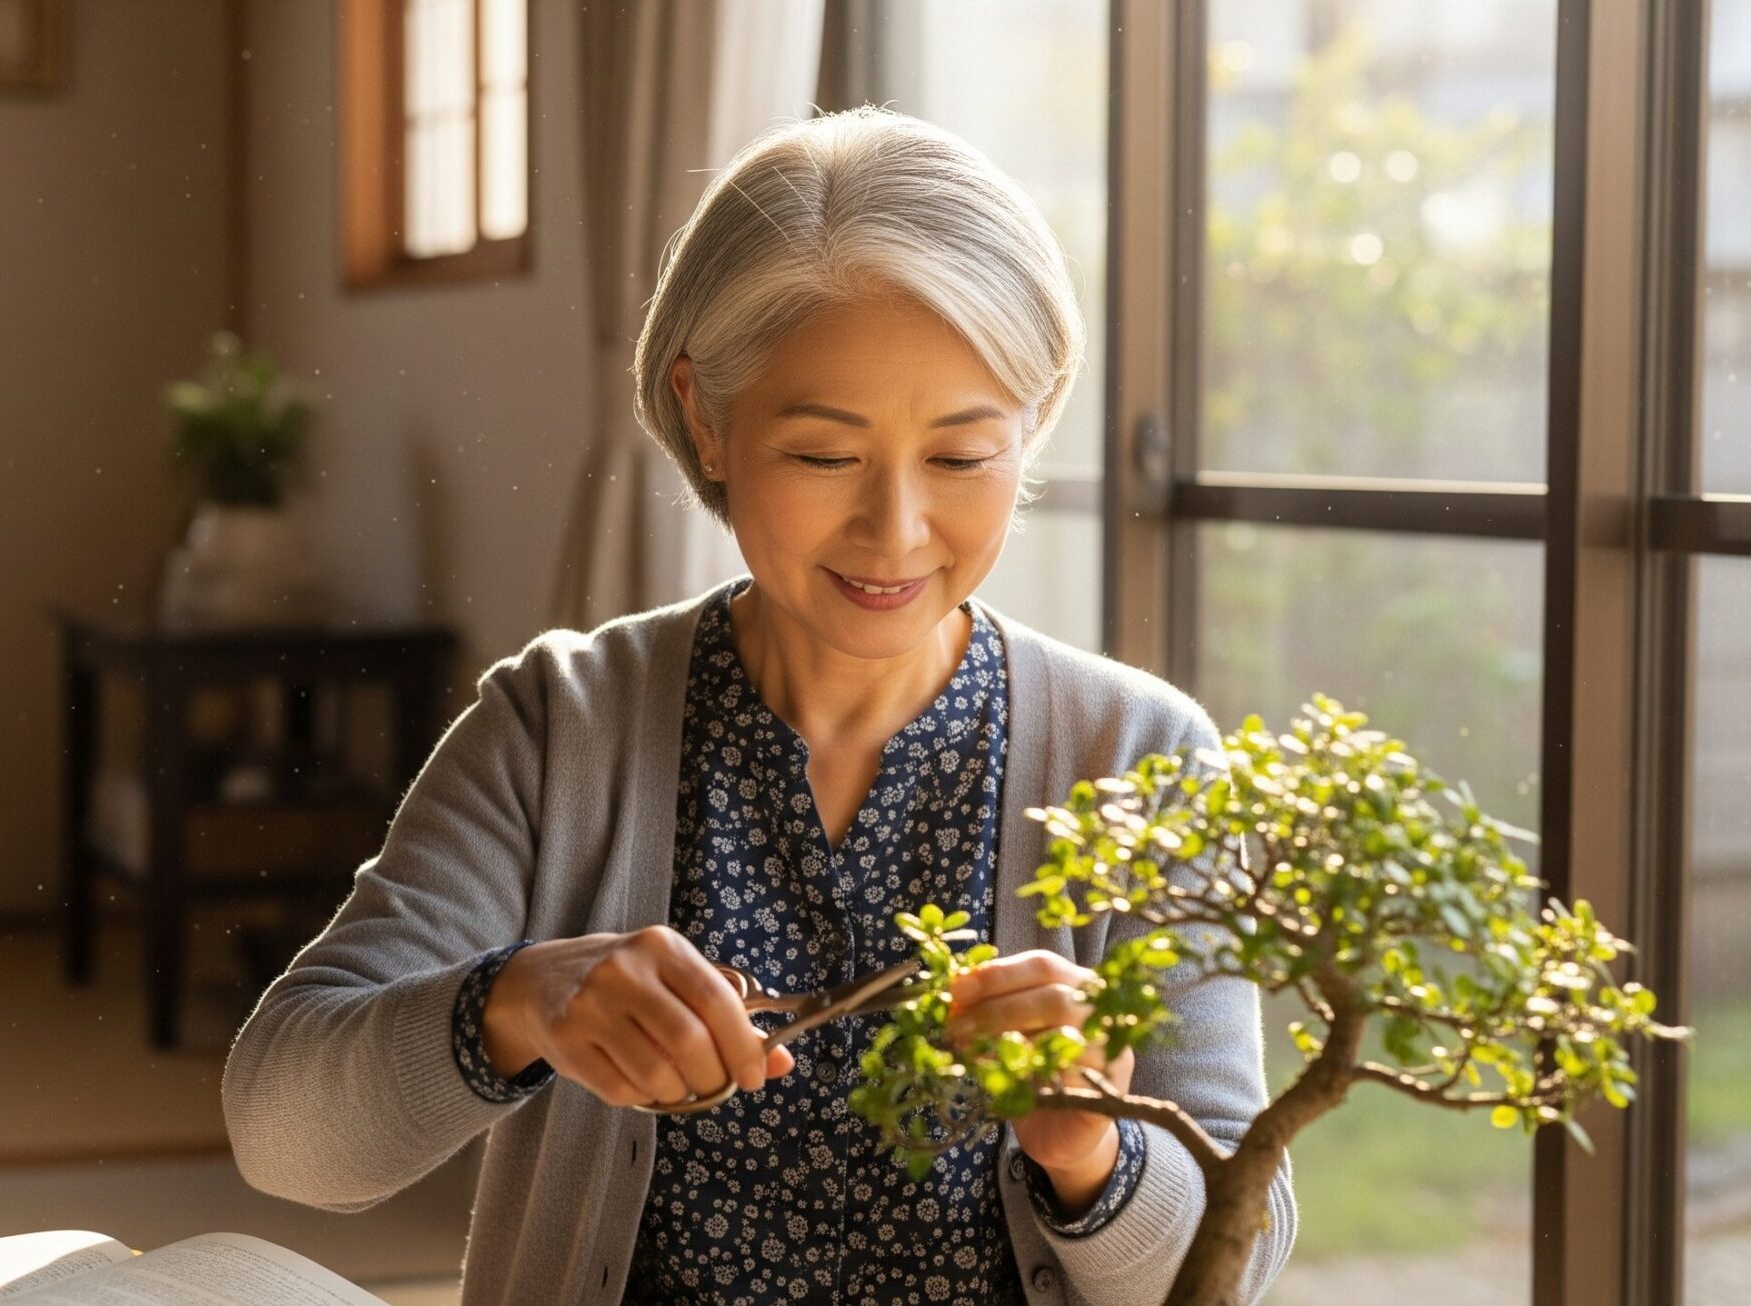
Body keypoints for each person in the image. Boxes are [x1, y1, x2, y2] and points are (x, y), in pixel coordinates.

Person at [223, 105, 1297, 1305]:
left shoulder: (1143, 756)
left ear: (1030, 425)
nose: (893, 531)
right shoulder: (557, 727)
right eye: (824, 456)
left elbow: (1234, 1263)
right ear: (704, 416)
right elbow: (283, 1132)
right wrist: (516, 1002)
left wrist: (1088, 1153)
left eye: (958, 458)